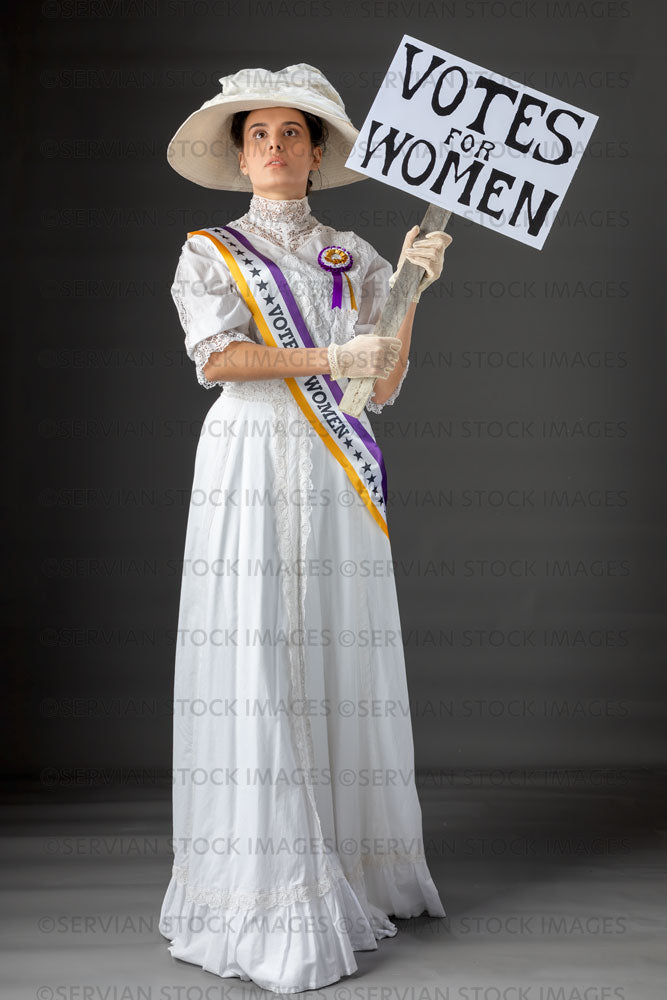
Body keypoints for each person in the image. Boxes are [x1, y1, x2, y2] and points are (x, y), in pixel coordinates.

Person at [159, 62, 453, 994]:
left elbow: (381, 386)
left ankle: (349, 864)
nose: (276, 148)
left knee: (331, 645)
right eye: (260, 135)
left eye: (293, 133)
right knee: (256, 647)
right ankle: (264, 886)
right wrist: (329, 351)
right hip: (249, 457)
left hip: (333, 469)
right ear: (240, 155)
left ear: (317, 154)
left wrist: (410, 290)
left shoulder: (356, 253)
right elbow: (220, 361)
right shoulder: (207, 251)